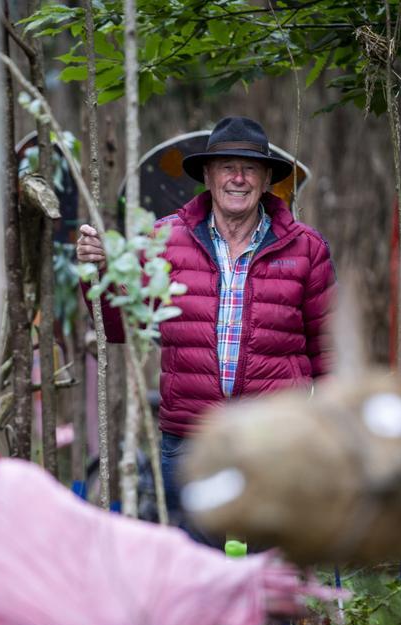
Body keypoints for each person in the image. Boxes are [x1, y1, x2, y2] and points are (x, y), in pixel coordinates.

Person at [77, 115, 335, 541]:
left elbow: (327, 351)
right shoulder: (164, 239)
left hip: (274, 436)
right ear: (208, 176)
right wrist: (98, 272)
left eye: (250, 168)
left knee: (269, 566)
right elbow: (120, 326)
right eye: (227, 167)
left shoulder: (307, 248)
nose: (238, 178)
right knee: (198, 563)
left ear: (268, 178)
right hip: (191, 438)